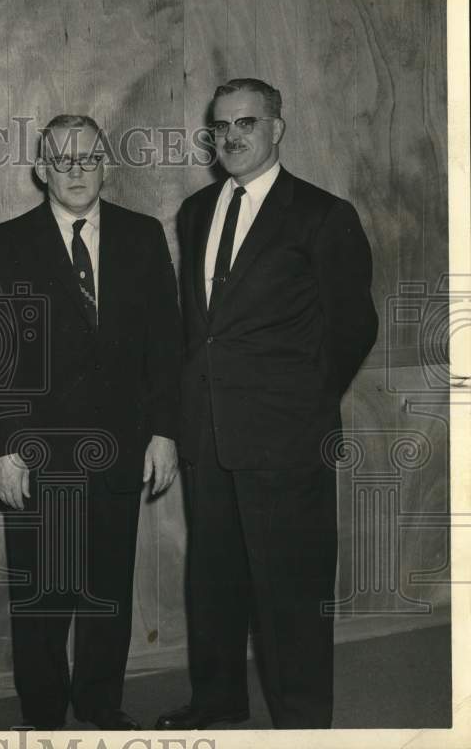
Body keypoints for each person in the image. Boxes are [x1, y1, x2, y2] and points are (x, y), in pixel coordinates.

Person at [156, 78, 378, 730]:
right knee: (214, 584)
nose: (232, 135)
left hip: (286, 439)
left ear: (277, 129)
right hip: (209, 436)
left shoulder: (322, 214)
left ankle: (302, 723)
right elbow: (201, 328)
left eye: (246, 122)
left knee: (290, 592)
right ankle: (217, 703)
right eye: (221, 125)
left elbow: (352, 327)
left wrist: (301, 408)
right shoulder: (197, 210)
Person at [0, 115, 183, 730]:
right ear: (41, 169)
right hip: (36, 453)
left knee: (107, 592)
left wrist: (165, 432)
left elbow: (164, 344)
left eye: (87, 158)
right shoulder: (6, 241)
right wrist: (4, 446)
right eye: (61, 160)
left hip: (120, 449)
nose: (75, 170)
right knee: (40, 597)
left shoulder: (142, 235)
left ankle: (99, 705)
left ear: (106, 165)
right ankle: (42, 715)